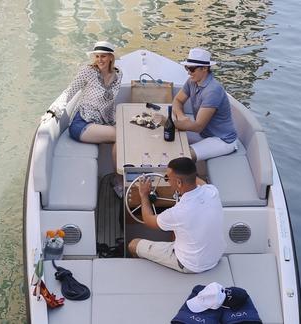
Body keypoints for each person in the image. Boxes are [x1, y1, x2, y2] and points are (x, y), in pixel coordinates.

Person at [128, 157, 226, 273]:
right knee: (176, 229)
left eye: (167, 178)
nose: (167, 180)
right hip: (214, 257)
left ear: (179, 182)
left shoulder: (178, 213)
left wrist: (144, 195)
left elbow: (149, 220)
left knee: (133, 244)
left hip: (192, 264)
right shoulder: (212, 191)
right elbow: (196, 180)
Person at [59, 40, 124, 195]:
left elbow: (110, 103)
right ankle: (119, 180)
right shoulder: (88, 72)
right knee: (121, 135)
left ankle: (120, 178)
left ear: (110, 57)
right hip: (81, 124)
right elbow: (69, 92)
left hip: (101, 123)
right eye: (97, 56)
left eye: (103, 56)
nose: (99, 60)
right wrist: (53, 111)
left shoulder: (118, 74)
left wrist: (115, 121)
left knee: (123, 133)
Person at [170, 48, 238, 161]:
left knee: (182, 158)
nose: (188, 72)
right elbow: (177, 101)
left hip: (222, 139)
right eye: (187, 68)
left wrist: (168, 123)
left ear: (205, 68)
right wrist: (181, 116)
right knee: (169, 138)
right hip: (204, 133)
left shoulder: (213, 90)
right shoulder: (192, 81)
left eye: (192, 69)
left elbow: (197, 126)